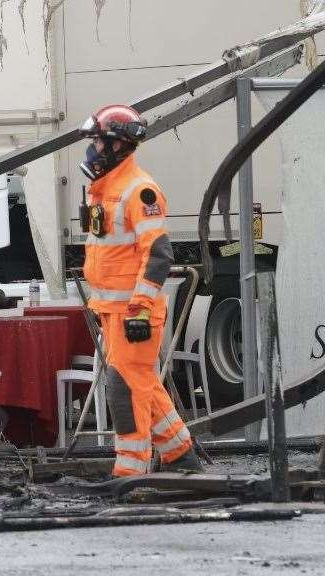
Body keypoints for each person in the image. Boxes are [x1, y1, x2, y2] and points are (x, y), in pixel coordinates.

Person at [79, 104, 202, 477]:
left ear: (119, 146)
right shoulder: (104, 190)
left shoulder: (140, 191)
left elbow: (158, 255)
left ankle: (130, 472)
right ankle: (181, 456)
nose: (93, 150)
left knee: (125, 389)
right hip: (114, 310)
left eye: (99, 142)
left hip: (135, 313)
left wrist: (142, 307)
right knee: (142, 384)